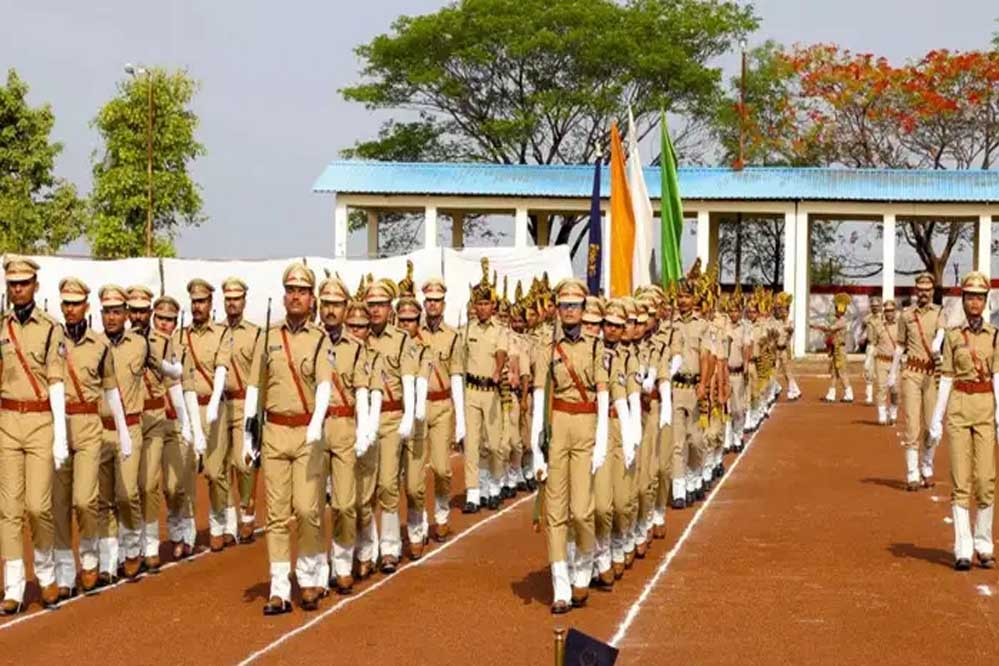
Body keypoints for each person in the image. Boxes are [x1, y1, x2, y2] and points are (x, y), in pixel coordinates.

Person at [241, 262, 333, 614]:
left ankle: (308, 575)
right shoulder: (268, 337)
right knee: (277, 516)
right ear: (284, 296)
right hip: (275, 432)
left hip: (308, 433)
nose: (296, 296)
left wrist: (316, 423)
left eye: (302, 291)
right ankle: (279, 588)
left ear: (311, 299)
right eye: (291, 290)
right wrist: (248, 436)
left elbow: (324, 385)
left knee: (307, 510)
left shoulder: (320, 339)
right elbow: (254, 387)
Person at [530, 278, 609, 614]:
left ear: (583, 308)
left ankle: (583, 569)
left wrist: (602, 440)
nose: (570, 311)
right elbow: (540, 397)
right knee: (555, 511)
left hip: (586, 424)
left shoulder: (595, 347)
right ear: (558, 310)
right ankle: (561, 585)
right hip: (559, 425)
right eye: (565, 306)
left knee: (582, 510)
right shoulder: (547, 348)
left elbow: (603, 395)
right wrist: (536, 448)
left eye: (575, 306)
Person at [52, 278, 131, 599]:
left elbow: (111, 391)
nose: (70, 309)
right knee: (58, 504)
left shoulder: (100, 345)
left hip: (88, 425)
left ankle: (89, 557)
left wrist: (123, 431)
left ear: (86, 306)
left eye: (76, 303)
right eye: (66, 304)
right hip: (56, 424)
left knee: (85, 500)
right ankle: (63, 572)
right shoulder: (52, 339)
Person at [0, 256, 67, 613]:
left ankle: (46, 573)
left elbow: (56, 382)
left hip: (41, 422)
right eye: (12, 284)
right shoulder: (1, 327)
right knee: (8, 509)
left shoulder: (52, 328)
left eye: (23, 283)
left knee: (38, 507)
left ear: (35, 286)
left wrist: (61, 436)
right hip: (7, 422)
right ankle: (13, 586)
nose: (18, 289)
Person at [928, 271, 996, 571]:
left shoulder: (994, 336)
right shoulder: (953, 336)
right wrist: (936, 418)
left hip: (985, 407)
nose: (975, 303)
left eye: (979, 298)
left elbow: (997, 377)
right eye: (970, 297)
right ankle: (964, 548)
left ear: (985, 301)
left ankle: (984, 541)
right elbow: (946, 378)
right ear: (964, 300)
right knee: (960, 479)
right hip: (958, 406)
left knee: (986, 479)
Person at [96, 285, 155, 584]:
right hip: (99, 429)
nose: (111, 317)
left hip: (130, 427)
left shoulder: (141, 345)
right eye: (107, 312)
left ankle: (133, 547)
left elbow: (163, 371)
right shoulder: (93, 345)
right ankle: (108, 560)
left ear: (126, 315)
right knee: (103, 498)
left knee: (127, 493)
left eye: (117, 312)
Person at [127, 284, 187, 572]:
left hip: (155, 417)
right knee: (128, 488)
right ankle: (130, 545)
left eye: (143, 311)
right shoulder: (118, 341)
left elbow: (175, 383)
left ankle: (151, 543)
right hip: (128, 419)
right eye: (134, 310)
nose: (139, 316)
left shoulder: (162, 344)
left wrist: (187, 425)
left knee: (151, 484)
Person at [364, 278, 420, 571]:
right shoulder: (357, 337)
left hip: (390, 417)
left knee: (387, 483)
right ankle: (365, 549)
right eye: (371, 305)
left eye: (381, 305)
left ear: (390, 309)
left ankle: (389, 546)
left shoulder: (401, 340)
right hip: (362, 419)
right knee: (364, 489)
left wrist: (409, 416)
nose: (375, 310)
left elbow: (408, 381)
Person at [317, 276, 369, 594]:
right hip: (313, 427)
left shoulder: (356, 348)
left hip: (344, 426)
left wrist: (364, 430)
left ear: (346, 308)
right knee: (312, 505)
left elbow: (361, 390)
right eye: (326, 304)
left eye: (336, 304)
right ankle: (316, 567)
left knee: (344, 503)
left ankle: (342, 562)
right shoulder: (310, 341)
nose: (331, 310)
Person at [181, 278, 233, 551]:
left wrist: (213, 403)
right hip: (188, 409)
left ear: (210, 303)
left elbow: (222, 369)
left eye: (202, 301)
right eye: (194, 302)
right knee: (187, 471)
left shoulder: (221, 334)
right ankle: (188, 531)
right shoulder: (181, 335)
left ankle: (218, 521)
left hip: (214, 408)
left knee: (214, 472)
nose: (197, 306)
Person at [459, 261, 508, 512]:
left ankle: (494, 486)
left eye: (486, 303)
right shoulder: (466, 329)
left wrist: (498, 370)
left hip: (491, 392)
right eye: (479, 303)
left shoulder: (500, 330)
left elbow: (501, 352)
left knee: (494, 445)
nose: (482, 308)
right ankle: (473, 493)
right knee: (472, 444)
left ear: (493, 306)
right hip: (471, 391)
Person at [152, 296, 198, 559]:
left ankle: (184, 529)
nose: (164, 324)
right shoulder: (143, 347)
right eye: (160, 318)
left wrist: (192, 427)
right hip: (151, 422)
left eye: (169, 320)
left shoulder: (181, 351)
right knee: (147, 484)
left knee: (176, 484)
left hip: (176, 422)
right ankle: (174, 533)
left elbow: (188, 389)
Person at [889, 273, 944, 491]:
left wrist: (937, 345)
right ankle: (912, 473)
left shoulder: (939, 312)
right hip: (912, 372)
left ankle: (926, 467)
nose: (924, 293)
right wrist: (892, 373)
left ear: (932, 291)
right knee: (912, 424)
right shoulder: (906, 315)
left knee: (932, 425)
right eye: (920, 289)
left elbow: (941, 332)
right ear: (916, 290)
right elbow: (900, 345)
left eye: (927, 289)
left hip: (931, 374)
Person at [418, 278, 463, 540]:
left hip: (442, 405)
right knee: (416, 470)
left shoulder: (453, 337)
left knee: (442, 468)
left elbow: (456, 375)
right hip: (419, 405)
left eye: (437, 301)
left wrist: (461, 420)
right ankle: (420, 521)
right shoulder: (413, 333)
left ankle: (442, 513)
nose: (433, 305)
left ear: (443, 304)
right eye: (429, 301)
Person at [220, 277, 261, 544]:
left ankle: (248, 512)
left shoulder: (256, 333)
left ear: (244, 301)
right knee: (220, 466)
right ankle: (228, 521)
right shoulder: (216, 332)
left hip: (245, 403)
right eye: (228, 299)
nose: (232, 303)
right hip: (220, 404)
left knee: (243, 463)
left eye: (236, 298)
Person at [814, 293, 854, 403]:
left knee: (841, 372)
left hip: (840, 349)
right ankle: (831, 394)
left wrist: (818, 327)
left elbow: (830, 329)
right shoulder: (838, 320)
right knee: (834, 373)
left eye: (836, 308)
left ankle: (849, 394)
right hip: (836, 349)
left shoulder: (841, 321)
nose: (835, 310)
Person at [870, 300, 900, 425]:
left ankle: (893, 413)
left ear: (895, 311)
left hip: (895, 362)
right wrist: (869, 362)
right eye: (887, 310)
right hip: (881, 360)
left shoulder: (900, 326)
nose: (889, 313)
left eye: (891, 310)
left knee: (895, 389)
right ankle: (882, 415)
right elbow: (873, 343)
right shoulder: (879, 326)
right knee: (881, 388)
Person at [862, 296, 884, 405]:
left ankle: (881, 396)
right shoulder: (867, 319)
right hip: (871, 345)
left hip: (881, 346)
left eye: (877, 306)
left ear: (880, 306)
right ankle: (869, 397)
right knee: (868, 370)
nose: (875, 307)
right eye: (873, 306)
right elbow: (863, 328)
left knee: (882, 371)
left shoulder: (884, 318)